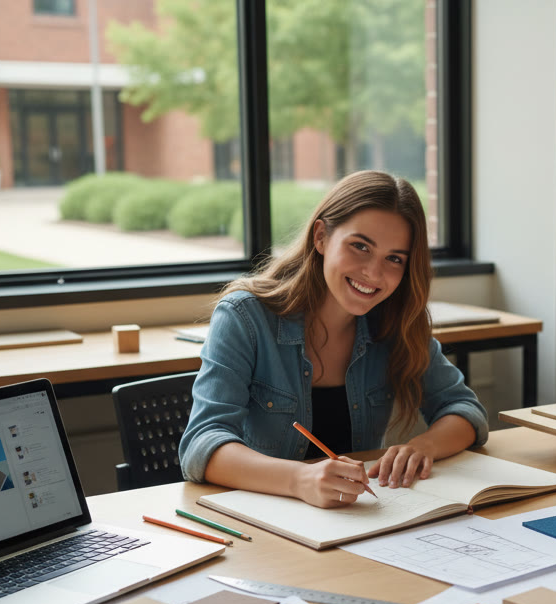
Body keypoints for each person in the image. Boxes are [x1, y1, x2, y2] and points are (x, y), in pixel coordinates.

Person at [178, 171, 487, 508]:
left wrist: (423, 446)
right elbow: (201, 445)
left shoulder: (397, 322)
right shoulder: (245, 317)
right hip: (265, 521)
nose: (374, 272)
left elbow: (465, 410)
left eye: (394, 258)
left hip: (357, 519)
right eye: (360, 246)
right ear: (321, 237)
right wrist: (300, 479)